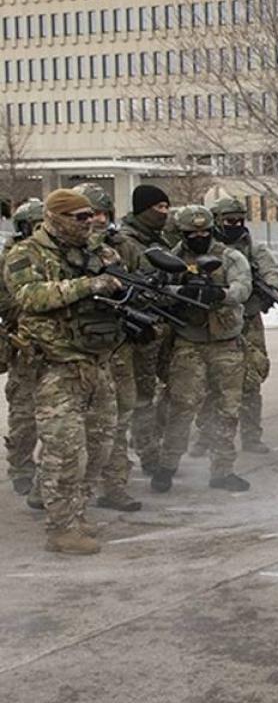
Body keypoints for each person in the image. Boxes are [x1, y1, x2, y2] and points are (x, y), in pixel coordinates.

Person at [4, 189, 125, 554]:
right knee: (66, 450)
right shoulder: (25, 254)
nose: (90, 222)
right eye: (81, 217)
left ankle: (78, 513)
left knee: (99, 444)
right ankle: (61, 528)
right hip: (55, 366)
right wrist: (88, 285)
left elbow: (117, 283)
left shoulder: (98, 252)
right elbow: (29, 296)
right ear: (56, 218)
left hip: (95, 361)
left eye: (92, 216)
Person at [152, 206, 253, 494]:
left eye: (204, 232)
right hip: (189, 341)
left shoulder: (230, 256)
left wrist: (219, 294)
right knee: (181, 407)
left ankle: (223, 470)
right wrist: (179, 291)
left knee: (228, 408)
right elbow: (159, 289)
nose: (199, 237)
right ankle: (167, 466)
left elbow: (243, 287)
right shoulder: (171, 258)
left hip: (226, 342)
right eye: (191, 233)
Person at [187, 197, 278, 456]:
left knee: (251, 380)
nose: (236, 225)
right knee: (208, 384)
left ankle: (252, 437)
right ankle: (205, 438)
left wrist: (262, 291)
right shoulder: (203, 246)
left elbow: (271, 272)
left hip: (247, 321)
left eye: (240, 220)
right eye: (229, 221)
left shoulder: (253, 248)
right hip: (211, 322)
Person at [74, 183, 143, 511]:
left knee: (118, 418)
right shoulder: (50, 251)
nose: (96, 220)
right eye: (87, 214)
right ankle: (51, 488)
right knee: (68, 425)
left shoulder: (121, 248)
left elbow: (140, 284)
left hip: (115, 347)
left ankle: (114, 486)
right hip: (71, 352)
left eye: (101, 213)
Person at [118, 184, 172, 478]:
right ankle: (147, 456)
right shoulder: (128, 242)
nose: (164, 213)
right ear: (143, 209)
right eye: (158, 208)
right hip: (136, 329)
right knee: (139, 398)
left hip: (157, 325)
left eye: (166, 207)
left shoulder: (156, 238)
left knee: (160, 392)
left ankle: (151, 448)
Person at [2, 199, 42, 504]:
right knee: (24, 416)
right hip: (25, 346)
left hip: (58, 349)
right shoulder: (10, 259)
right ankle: (21, 469)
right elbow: (8, 302)